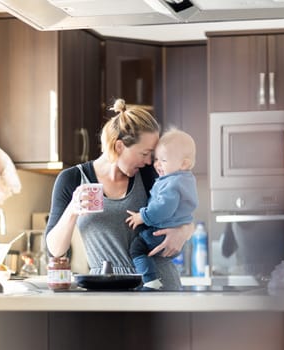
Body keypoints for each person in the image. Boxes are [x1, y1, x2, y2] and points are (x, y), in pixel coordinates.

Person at [44, 98, 193, 290]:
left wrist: (184, 231)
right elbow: (55, 251)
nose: (150, 161)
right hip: (106, 291)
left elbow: (188, 209)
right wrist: (73, 209)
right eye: (145, 153)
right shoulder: (72, 179)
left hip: (159, 288)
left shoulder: (149, 175)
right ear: (119, 146)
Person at [126, 128, 198, 289]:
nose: (155, 164)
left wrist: (141, 216)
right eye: (155, 158)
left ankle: (150, 280)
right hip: (168, 234)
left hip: (161, 233)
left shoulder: (171, 183)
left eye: (163, 161)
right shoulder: (185, 180)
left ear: (184, 163)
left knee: (137, 248)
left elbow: (162, 209)